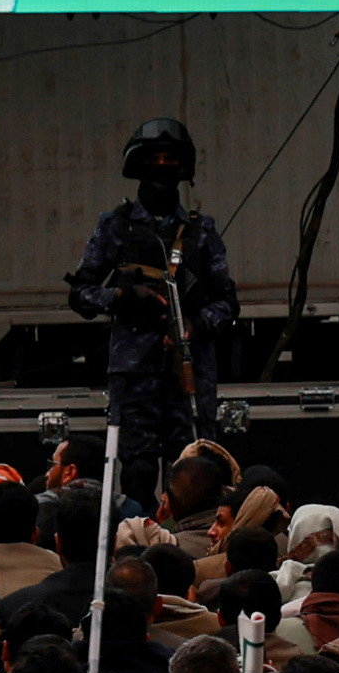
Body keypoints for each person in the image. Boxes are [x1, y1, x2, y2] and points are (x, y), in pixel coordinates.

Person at [70, 119, 243, 475]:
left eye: (170, 159)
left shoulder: (201, 231)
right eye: (154, 158)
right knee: (138, 473)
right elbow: (80, 295)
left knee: (194, 474)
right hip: (135, 376)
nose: (162, 166)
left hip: (189, 373)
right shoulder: (115, 227)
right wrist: (122, 297)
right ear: (137, 164)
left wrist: (194, 325)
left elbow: (228, 303)